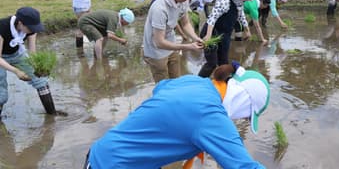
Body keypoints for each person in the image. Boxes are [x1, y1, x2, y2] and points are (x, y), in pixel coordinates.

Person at [83, 63, 270, 169]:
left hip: (100, 153)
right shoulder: (211, 117)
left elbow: (160, 87)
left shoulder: (194, 81)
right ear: (243, 101)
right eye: (246, 116)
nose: (241, 120)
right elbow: (244, 167)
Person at [143, 0, 204, 83]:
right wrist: (188, 47)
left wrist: (195, 38)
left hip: (171, 44)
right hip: (155, 51)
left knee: (176, 80)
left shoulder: (183, 0)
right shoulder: (159, 9)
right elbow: (159, 42)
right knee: (163, 85)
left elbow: (185, 23)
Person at [0, 7, 57, 117]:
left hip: (16, 54)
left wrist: (39, 67)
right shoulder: (2, 27)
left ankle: (52, 114)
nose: (33, 30)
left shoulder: (31, 30)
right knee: (1, 91)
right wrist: (16, 71)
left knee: (41, 81)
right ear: (20, 23)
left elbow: (32, 52)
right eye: (31, 28)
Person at [198, 0, 252, 77]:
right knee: (212, 63)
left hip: (225, 34)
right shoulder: (224, 0)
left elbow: (241, 16)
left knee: (224, 62)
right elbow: (212, 18)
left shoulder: (239, 3)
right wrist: (208, 35)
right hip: (212, 32)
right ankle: (198, 83)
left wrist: (247, 30)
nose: (245, 0)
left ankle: (223, 83)